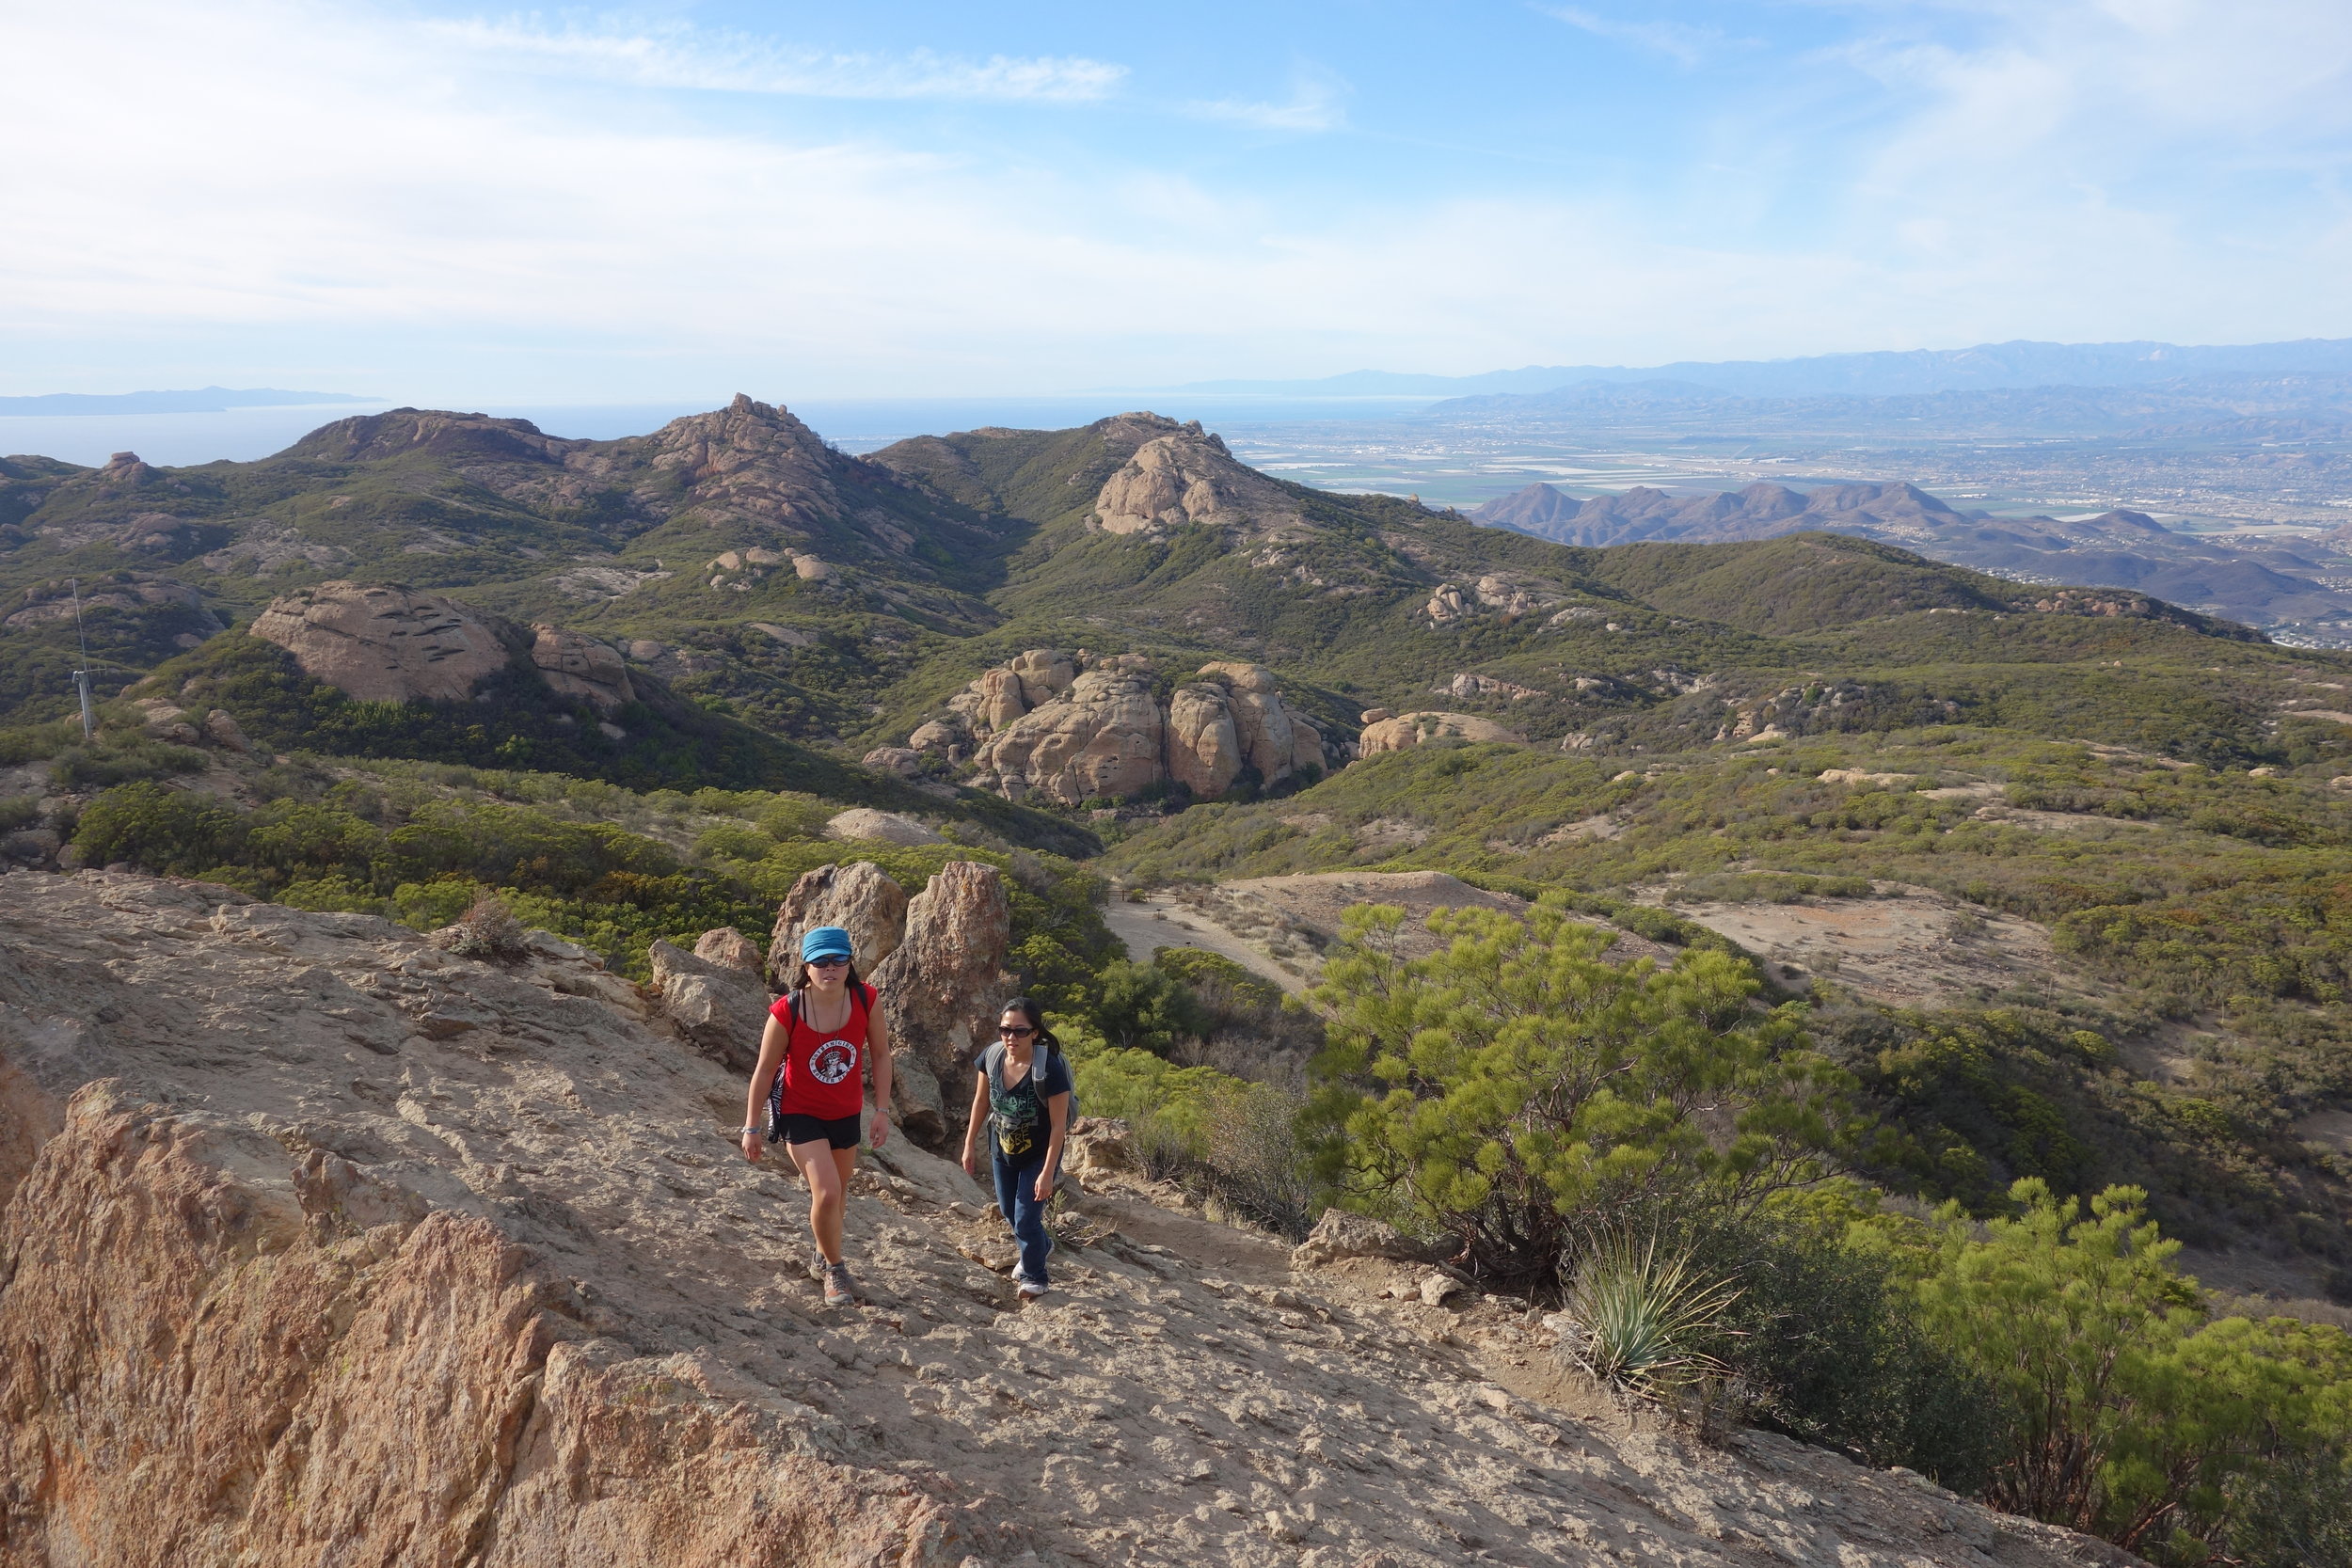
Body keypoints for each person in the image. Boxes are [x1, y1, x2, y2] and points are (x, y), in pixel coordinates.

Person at [740, 926, 893, 1307]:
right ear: (806, 966)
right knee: (826, 1192)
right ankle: (836, 1271)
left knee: (837, 1200)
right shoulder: (787, 1011)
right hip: (799, 1111)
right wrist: (752, 1126)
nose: (830, 968)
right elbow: (763, 1069)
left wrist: (883, 1111)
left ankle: (820, 1257)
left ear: (849, 963)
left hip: (845, 1112)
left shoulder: (866, 999)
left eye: (838, 959)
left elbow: (881, 1055)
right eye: (820, 961)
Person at [961, 997, 1073, 1302]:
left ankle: (1035, 1277)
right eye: (1005, 1030)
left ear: (1035, 1032)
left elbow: (1058, 1127)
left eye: (1020, 1031)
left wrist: (1048, 1173)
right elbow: (981, 1102)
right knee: (1010, 1212)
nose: (1011, 1037)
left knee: (1025, 1218)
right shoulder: (992, 1057)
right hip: (1002, 1148)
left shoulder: (1049, 1069)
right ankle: (1040, 1246)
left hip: (1038, 1153)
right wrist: (969, 1144)